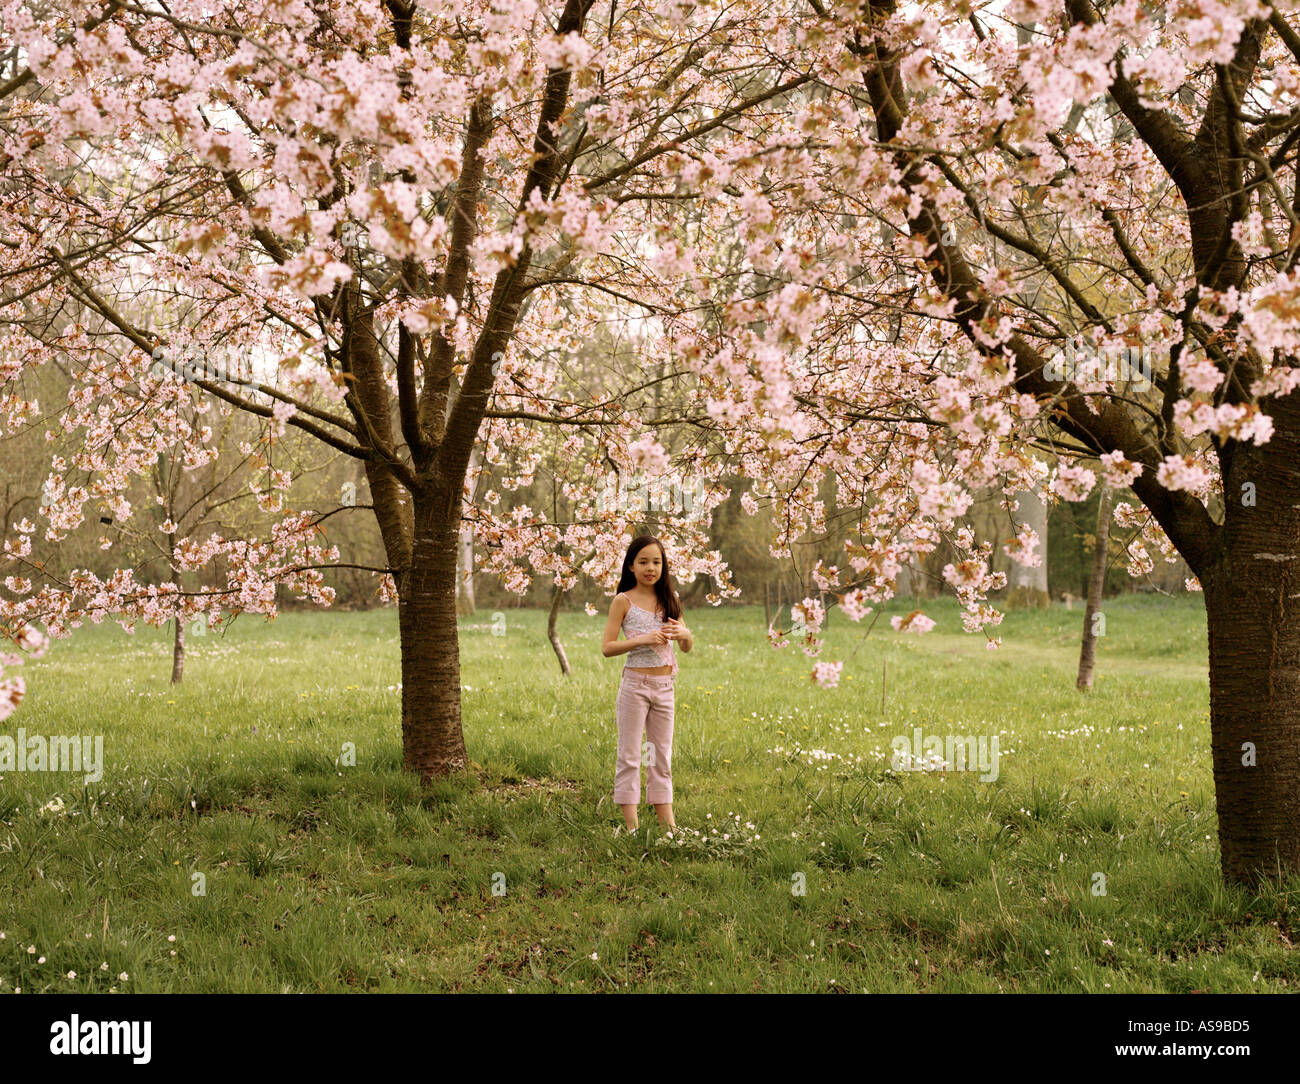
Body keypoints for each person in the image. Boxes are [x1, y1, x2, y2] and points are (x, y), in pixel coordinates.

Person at [601, 535, 693, 833]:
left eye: (656, 562)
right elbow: (607, 647)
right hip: (635, 686)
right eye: (643, 562)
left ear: (663, 566)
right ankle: (631, 828)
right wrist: (641, 639)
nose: (650, 568)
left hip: (665, 687)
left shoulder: (670, 600)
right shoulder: (622, 601)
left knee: (660, 755)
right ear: (631, 566)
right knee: (630, 755)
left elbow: (686, 646)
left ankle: (669, 827)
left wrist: (685, 634)